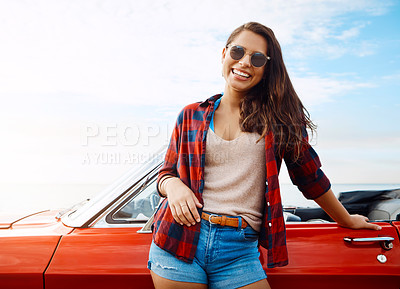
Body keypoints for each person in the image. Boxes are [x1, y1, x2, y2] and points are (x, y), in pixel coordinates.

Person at [147, 22, 381, 289]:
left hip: (238, 251)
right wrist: (174, 186)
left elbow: (310, 178)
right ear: (224, 54)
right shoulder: (190, 114)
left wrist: (346, 219)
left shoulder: (280, 120)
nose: (245, 62)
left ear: (267, 68)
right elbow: (166, 173)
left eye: (257, 58)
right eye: (238, 52)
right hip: (179, 239)